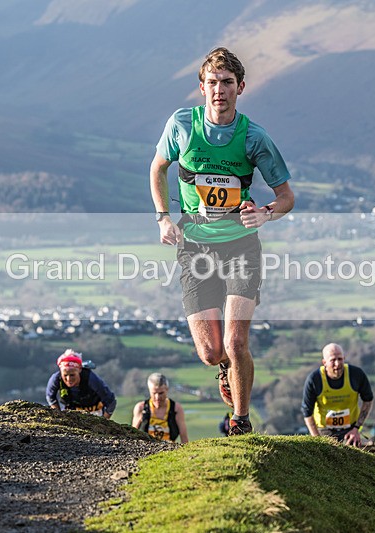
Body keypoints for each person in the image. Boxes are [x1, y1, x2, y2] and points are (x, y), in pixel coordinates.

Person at [150, 47, 295, 436]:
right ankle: (224, 370)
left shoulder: (254, 138)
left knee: (235, 340)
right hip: (194, 247)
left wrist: (265, 213)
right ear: (202, 88)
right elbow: (158, 168)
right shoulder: (181, 125)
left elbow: (287, 197)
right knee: (212, 351)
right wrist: (164, 217)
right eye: (212, 83)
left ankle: (240, 421)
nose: (219, 90)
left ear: (241, 87)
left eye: (227, 83)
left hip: (240, 246)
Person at [301, 343, 374, 447]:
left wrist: (356, 428)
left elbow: (368, 400)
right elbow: (307, 411)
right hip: (324, 430)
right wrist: (317, 440)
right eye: (333, 360)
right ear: (324, 362)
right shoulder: (315, 379)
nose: (337, 364)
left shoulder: (356, 375)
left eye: (340, 359)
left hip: (351, 429)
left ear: (344, 358)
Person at [46, 349, 117, 417]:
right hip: (72, 411)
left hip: (95, 411)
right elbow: (50, 397)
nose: (68, 379)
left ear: (80, 370)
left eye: (72, 375)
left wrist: (104, 423)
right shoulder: (56, 379)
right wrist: (59, 416)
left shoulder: (91, 378)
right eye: (65, 375)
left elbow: (111, 402)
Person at [132, 373, 189, 443]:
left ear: (167, 389)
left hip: (170, 450)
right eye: (154, 393)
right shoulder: (141, 408)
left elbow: (184, 437)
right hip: (146, 449)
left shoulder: (176, 409)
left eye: (161, 393)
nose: (157, 397)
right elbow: (133, 435)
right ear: (149, 391)